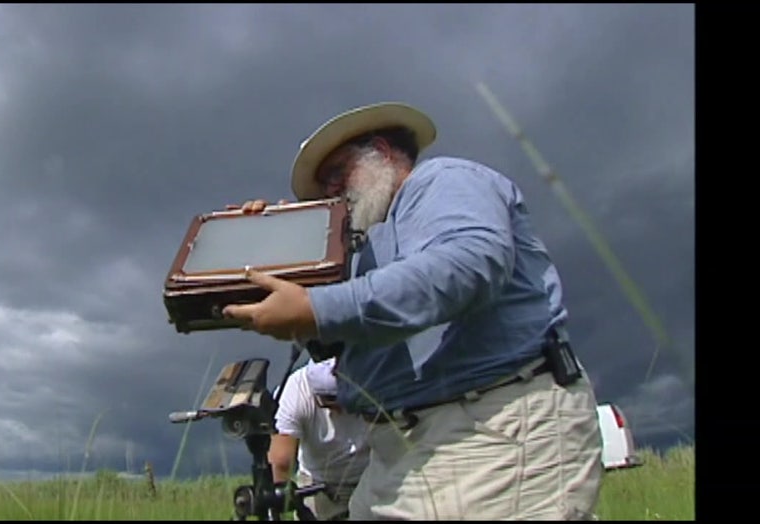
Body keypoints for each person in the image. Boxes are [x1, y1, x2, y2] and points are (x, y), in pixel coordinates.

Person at [222, 102, 604, 520]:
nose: (332, 190)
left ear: (383, 152)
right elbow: (341, 334)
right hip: (400, 451)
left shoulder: (441, 180)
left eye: (338, 173)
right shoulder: (366, 248)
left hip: (492, 425)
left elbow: (467, 265)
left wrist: (318, 306)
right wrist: (270, 245)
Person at [269, 357, 371, 521]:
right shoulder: (295, 391)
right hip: (318, 484)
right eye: (329, 401)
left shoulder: (373, 380)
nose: (338, 409)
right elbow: (281, 460)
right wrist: (280, 504)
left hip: (370, 477)